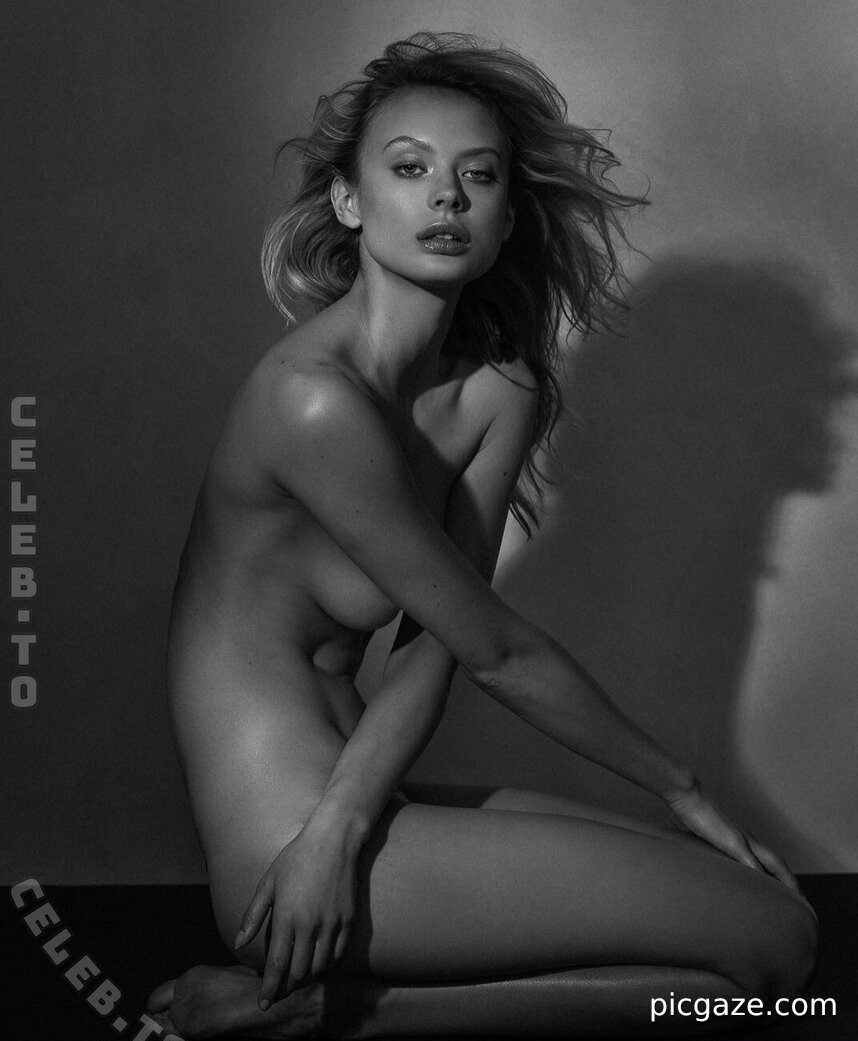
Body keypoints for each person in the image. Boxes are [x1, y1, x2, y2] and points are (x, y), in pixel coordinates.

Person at [147, 32, 817, 1039]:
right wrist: (683, 789)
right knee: (775, 953)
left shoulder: (498, 392)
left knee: (773, 921)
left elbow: (438, 650)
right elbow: (500, 652)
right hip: (282, 846)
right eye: (409, 169)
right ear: (349, 201)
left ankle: (330, 1000)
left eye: (478, 176)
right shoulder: (312, 404)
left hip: (356, 802)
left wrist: (350, 817)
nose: (446, 198)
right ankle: (325, 1017)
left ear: (506, 218)